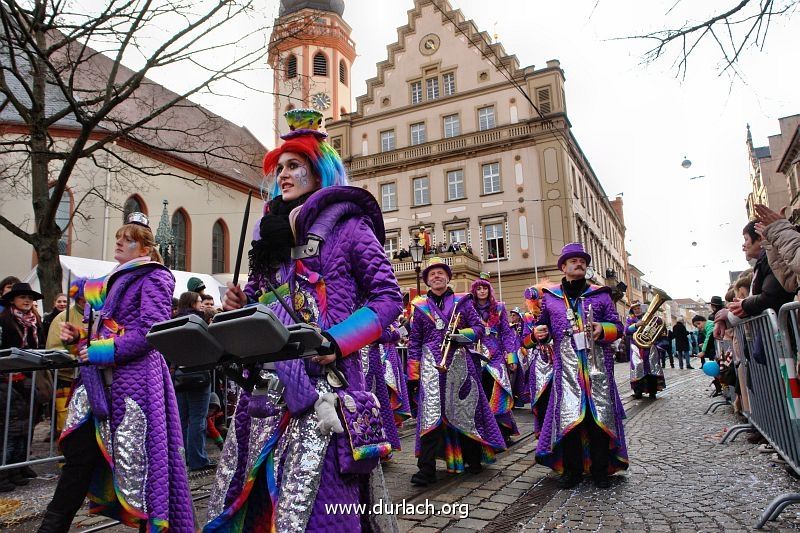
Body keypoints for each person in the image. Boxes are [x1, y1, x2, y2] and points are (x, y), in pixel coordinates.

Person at [206, 109, 403, 532]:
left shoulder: (350, 227)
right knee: (258, 502)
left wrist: (336, 341)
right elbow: (261, 302)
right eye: (279, 168)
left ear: (319, 172)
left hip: (324, 388)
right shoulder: (270, 236)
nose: (284, 174)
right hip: (267, 388)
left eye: (294, 165)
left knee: (320, 507)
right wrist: (239, 303)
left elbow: (389, 298)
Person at [38, 213, 193, 532]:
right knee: (79, 458)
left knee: (140, 465)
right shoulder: (108, 281)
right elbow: (101, 333)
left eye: (129, 238)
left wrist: (97, 350)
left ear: (146, 250)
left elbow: (150, 331)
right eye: (119, 237)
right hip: (96, 384)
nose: (120, 242)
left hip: (134, 384)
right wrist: (79, 338)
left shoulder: (155, 276)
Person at [533, 243, 627, 489]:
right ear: (563, 267)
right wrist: (537, 333)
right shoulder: (550, 297)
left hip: (598, 369)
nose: (579, 263)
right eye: (573, 260)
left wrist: (602, 329)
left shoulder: (601, 294)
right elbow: (537, 329)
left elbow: (618, 327)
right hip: (566, 370)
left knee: (598, 421)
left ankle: (600, 471)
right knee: (570, 420)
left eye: (582, 260)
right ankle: (572, 471)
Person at [407, 257, 504, 487]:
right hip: (432, 367)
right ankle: (426, 469)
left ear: (448, 277)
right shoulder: (420, 308)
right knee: (430, 416)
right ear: (427, 280)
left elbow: (480, 328)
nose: (436, 276)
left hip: (460, 363)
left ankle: (473, 459)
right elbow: (414, 342)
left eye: (440, 273)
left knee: (464, 410)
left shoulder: (463, 303)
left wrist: (464, 336)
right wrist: (414, 373)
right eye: (432, 274)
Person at [0, 282, 45, 491]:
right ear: (12, 300)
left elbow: (41, 346)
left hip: (29, 378)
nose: (27, 301)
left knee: (27, 424)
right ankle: (5, 470)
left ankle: (19, 465)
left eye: (30, 297)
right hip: (7, 378)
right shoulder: (5, 321)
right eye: (22, 297)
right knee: (10, 426)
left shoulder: (35, 321)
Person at [469, 274, 519, 444]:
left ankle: (503, 432)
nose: (482, 291)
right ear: (474, 291)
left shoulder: (499, 308)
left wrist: (511, 357)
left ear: (489, 290)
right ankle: (484, 433)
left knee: (499, 390)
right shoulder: (469, 308)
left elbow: (506, 333)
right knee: (480, 392)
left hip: (496, 355)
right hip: (476, 354)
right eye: (479, 288)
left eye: (485, 288)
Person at [173, 291, 214, 472]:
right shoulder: (200, 321)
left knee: (181, 419)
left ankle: (182, 458)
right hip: (199, 373)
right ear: (192, 304)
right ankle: (198, 459)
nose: (201, 304)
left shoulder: (173, 321)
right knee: (198, 418)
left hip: (179, 374)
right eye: (199, 301)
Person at [45, 278, 88, 438]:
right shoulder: (62, 318)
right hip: (67, 378)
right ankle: (65, 459)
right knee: (66, 421)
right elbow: (54, 349)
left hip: (91, 380)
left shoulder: (98, 316)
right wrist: (78, 358)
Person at [728, 220, 795, 320]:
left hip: (784, 324)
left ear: (759, 238)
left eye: (746, 239)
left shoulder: (769, 259)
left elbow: (772, 296)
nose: (744, 246)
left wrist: (745, 305)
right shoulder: (762, 262)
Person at [363, 322, 411, 453]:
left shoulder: (390, 319)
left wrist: (395, 332)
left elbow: (395, 335)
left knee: (382, 402)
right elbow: (391, 335)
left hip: (385, 358)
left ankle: (383, 445)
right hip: (376, 359)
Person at [627, 301, 666, 399]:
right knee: (637, 369)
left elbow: (659, 329)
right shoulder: (630, 320)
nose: (637, 310)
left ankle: (652, 392)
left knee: (651, 369)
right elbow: (626, 330)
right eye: (635, 309)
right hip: (636, 347)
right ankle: (638, 392)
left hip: (649, 347)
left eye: (638, 308)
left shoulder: (650, 318)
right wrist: (636, 325)